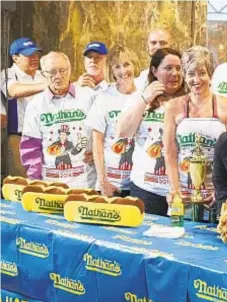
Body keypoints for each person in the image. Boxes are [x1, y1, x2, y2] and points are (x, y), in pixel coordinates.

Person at [163, 46, 227, 210]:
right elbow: (170, 153)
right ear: (184, 76)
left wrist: (222, 190)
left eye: (202, 73)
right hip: (183, 196)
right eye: (190, 74)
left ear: (210, 75)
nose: (196, 80)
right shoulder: (173, 107)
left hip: (216, 196)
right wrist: (175, 190)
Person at [116, 48, 185, 216]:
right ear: (154, 71)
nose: (175, 73)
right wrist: (144, 99)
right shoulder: (140, 97)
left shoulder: (191, 100)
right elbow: (123, 132)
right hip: (146, 189)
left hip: (181, 192)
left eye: (179, 68)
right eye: (168, 68)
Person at [20, 52, 96, 188]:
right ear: (43, 74)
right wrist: (36, 182)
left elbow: (105, 129)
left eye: (62, 70)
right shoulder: (36, 105)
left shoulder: (89, 97)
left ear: (70, 70)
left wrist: (98, 152)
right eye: (52, 72)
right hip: (51, 184)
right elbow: (31, 147)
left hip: (85, 183)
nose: (59, 76)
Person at [85, 45, 140, 197]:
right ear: (111, 70)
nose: (123, 71)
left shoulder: (144, 97)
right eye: (117, 67)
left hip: (138, 184)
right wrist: (103, 181)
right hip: (110, 183)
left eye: (127, 64)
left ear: (135, 64)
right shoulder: (104, 97)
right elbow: (97, 142)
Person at [1, 37, 46, 178]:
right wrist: (49, 86)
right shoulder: (7, 74)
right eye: (29, 55)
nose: (34, 58)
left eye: (36, 55)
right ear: (15, 58)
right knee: (21, 182)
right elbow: (13, 91)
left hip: (46, 137)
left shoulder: (43, 75)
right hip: (19, 137)